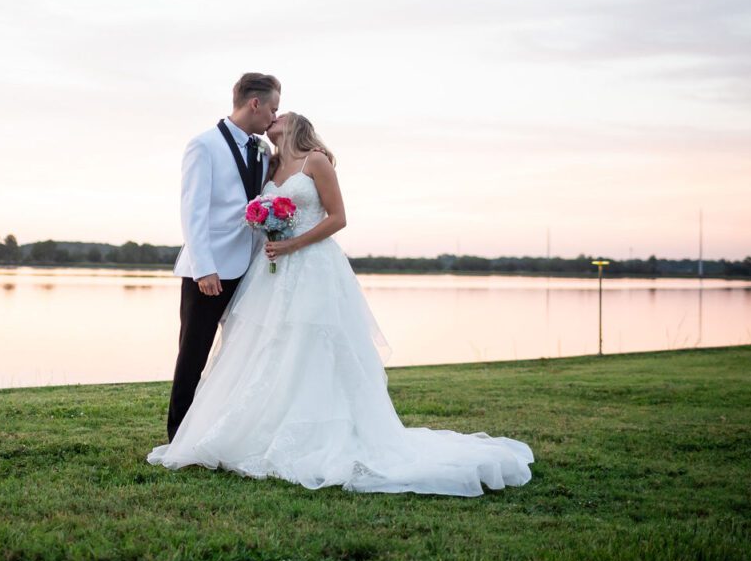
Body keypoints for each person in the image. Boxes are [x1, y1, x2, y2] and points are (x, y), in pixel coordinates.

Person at [150, 112, 534, 496]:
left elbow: (338, 218)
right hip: (271, 271)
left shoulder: (315, 160)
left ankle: (321, 431)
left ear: (295, 124)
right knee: (267, 349)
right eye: (272, 110)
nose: (273, 118)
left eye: (279, 114)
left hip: (312, 265)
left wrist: (292, 243)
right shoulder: (270, 161)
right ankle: (252, 428)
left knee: (313, 346)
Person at [165, 73, 281, 441]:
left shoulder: (263, 151)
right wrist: (204, 269)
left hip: (250, 268)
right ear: (255, 103)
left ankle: (222, 431)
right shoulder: (203, 145)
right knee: (193, 356)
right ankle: (178, 436)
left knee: (238, 356)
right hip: (210, 271)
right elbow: (192, 211)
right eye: (273, 109)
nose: (274, 118)